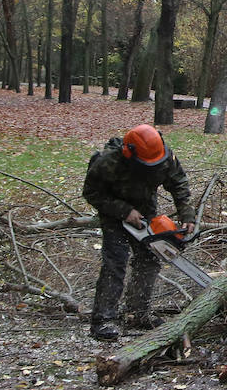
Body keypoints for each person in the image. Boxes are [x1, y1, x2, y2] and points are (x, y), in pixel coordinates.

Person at [83, 124, 196, 342]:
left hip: (145, 208)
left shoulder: (162, 156)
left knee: (150, 257)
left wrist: (187, 214)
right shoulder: (108, 162)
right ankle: (103, 319)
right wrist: (124, 211)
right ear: (129, 153)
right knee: (116, 261)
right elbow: (91, 192)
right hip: (114, 212)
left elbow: (178, 183)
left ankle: (137, 312)